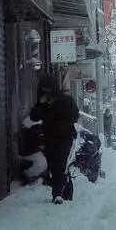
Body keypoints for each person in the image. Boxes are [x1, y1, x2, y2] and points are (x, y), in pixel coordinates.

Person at [29, 73, 80, 204]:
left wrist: (63, 123)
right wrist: (41, 104)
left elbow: (75, 114)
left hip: (65, 138)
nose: (46, 94)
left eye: (48, 91)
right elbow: (33, 117)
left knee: (60, 164)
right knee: (54, 166)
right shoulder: (44, 104)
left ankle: (57, 195)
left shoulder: (65, 100)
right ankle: (65, 189)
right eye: (44, 91)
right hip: (49, 139)